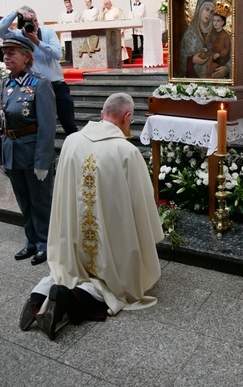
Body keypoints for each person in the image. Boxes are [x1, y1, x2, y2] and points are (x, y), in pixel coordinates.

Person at [19, 92, 164, 340]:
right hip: (109, 236)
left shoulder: (72, 141)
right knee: (114, 282)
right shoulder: (126, 151)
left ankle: (38, 296)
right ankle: (72, 298)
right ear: (127, 117)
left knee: (65, 270)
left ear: (101, 114)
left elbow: (63, 192)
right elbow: (141, 203)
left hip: (73, 234)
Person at [0, 34, 56, 265]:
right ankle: (31, 241)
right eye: (5, 52)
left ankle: (45, 244)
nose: (6, 55)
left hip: (33, 153)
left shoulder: (39, 84)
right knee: (24, 200)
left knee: (40, 202)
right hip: (11, 151)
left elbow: (47, 126)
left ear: (26, 57)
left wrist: (43, 162)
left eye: (12, 52)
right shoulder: (6, 84)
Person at [0, 6, 78, 135]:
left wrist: (37, 42)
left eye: (35, 20)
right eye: (30, 21)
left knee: (69, 125)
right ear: (21, 24)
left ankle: (75, 153)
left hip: (57, 86)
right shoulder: (17, 36)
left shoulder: (47, 32)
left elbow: (58, 54)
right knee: (42, 125)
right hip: (34, 88)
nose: (34, 24)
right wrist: (15, 13)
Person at [203, 13, 231, 78]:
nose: (215, 23)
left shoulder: (225, 35)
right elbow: (212, 45)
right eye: (214, 20)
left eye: (218, 21)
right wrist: (207, 49)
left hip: (222, 59)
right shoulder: (214, 34)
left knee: (212, 68)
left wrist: (220, 54)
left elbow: (227, 49)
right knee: (207, 65)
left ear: (222, 22)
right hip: (213, 56)